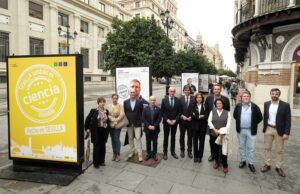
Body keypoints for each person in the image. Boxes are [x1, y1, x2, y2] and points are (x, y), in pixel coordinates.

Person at [260, 88, 291, 177]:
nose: (274, 95)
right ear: (270, 94)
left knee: (280, 150)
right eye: (273, 94)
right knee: (267, 148)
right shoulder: (266, 104)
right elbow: (265, 116)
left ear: (279, 95)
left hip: (279, 130)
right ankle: (267, 164)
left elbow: (288, 120)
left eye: (276, 94)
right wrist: (264, 128)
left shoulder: (285, 105)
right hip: (269, 128)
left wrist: (287, 132)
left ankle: (279, 167)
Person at [233, 91, 262, 173]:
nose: (246, 97)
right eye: (244, 96)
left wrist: (253, 124)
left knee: (251, 148)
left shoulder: (254, 106)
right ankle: (243, 160)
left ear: (250, 97)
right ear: (241, 97)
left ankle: (251, 163)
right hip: (241, 130)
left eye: (247, 96)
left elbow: (260, 117)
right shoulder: (238, 106)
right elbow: (235, 116)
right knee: (241, 146)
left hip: (251, 130)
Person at [205, 84, 230, 162]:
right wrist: (208, 121)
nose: (216, 90)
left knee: (222, 140)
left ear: (220, 90)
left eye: (218, 89)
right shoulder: (209, 98)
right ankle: (213, 154)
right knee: (212, 140)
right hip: (212, 124)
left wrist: (226, 125)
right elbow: (206, 110)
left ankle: (221, 156)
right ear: (213, 90)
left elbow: (227, 110)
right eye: (215, 89)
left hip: (222, 124)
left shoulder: (225, 99)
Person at [85, 97, 110, 168]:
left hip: (104, 131)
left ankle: (102, 161)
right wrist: (87, 128)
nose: (102, 103)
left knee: (103, 147)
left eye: (103, 102)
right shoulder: (93, 111)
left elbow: (108, 121)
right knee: (96, 147)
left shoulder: (106, 111)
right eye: (101, 102)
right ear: (98, 103)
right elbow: (87, 119)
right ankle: (96, 163)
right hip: (96, 131)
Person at [208, 98, 231, 173]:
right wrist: (214, 129)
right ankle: (217, 162)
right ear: (215, 105)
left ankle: (225, 165)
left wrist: (222, 131)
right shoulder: (212, 111)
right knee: (215, 149)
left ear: (223, 104)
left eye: (220, 103)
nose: (219, 105)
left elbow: (228, 124)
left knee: (224, 150)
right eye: (217, 103)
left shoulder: (227, 113)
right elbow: (209, 121)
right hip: (214, 134)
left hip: (223, 135)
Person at [123, 89, 144, 162]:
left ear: (135, 93)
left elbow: (142, 113)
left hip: (137, 123)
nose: (132, 93)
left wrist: (141, 122)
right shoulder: (125, 102)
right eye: (131, 92)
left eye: (133, 92)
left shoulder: (140, 102)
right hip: (129, 124)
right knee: (130, 138)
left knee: (138, 138)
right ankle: (131, 151)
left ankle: (140, 154)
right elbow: (125, 113)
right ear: (129, 93)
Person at [161, 86, 181, 160]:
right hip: (167, 122)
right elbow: (162, 112)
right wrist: (167, 120)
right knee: (166, 137)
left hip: (174, 122)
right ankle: (165, 152)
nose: (172, 93)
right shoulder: (164, 100)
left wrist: (175, 120)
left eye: (173, 91)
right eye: (171, 91)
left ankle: (172, 152)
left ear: (175, 92)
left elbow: (179, 112)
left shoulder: (178, 100)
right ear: (168, 92)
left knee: (173, 137)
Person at [142, 96, 162, 161]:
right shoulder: (145, 109)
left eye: (154, 100)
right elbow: (143, 118)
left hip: (155, 129)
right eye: (151, 100)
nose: (152, 101)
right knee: (148, 142)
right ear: (149, 101)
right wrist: (148, 126)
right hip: (147, 129)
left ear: (155, 101)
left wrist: (154, 126)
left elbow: (159, 119)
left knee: (155, 142)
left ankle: (154, 154)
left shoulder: (158, 109)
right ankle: (148, 154)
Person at [108, 94, 125, 162]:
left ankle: (118, 154)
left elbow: (121, 115)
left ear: (117, 99)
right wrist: (112, 121)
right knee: (112, 139)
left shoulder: (120, 106)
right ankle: (114, 153)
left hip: (117, 125)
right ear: (112, 98)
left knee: (116, 139)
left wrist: (115, 121)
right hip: (111, 125)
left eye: (116, 98)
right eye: (113, 98)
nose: (115, 99)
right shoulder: (109, 105)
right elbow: (108, 114)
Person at [191, 92, 207, 163]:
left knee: (202, 142)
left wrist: (197, 116)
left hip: (203, 127)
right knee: (195, 142)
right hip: (194, 127)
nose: (199, 99)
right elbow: (192, 115)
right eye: (197, 97)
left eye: (200, 97)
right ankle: (196, 156)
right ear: (196, 98)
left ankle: (200, 157)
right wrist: (200, 116)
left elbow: (206, 115)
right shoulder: (193, 105)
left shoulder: (205, 106)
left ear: (202, 98)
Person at [179, 85, 194, 159]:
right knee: (182, 136)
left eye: (188, 90)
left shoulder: (193, 99)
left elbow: (195, 109)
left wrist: (191, 116)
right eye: (185, 90)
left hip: (191, 121)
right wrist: (182, 116)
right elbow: (178, 110)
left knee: (190, 137)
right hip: (182, 121)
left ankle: (189, 151)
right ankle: (182, 150)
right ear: (183, 91)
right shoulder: (180, 99)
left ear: (190, 91)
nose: (187, 91)